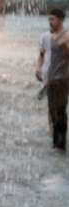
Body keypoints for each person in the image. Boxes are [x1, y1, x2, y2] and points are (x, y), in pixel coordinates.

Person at [36, 8, 69, 150]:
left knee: (60, 111)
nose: (50, 22)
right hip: (49, 80)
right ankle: (55, 142)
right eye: (49, 19)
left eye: (53, 19)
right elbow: (42, 55)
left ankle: (60, 145)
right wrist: (38, 68)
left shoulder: (67, 35)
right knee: (52, 111)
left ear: (61, 20)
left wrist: (63, 44)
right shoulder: (45, 36)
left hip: (62, 79)